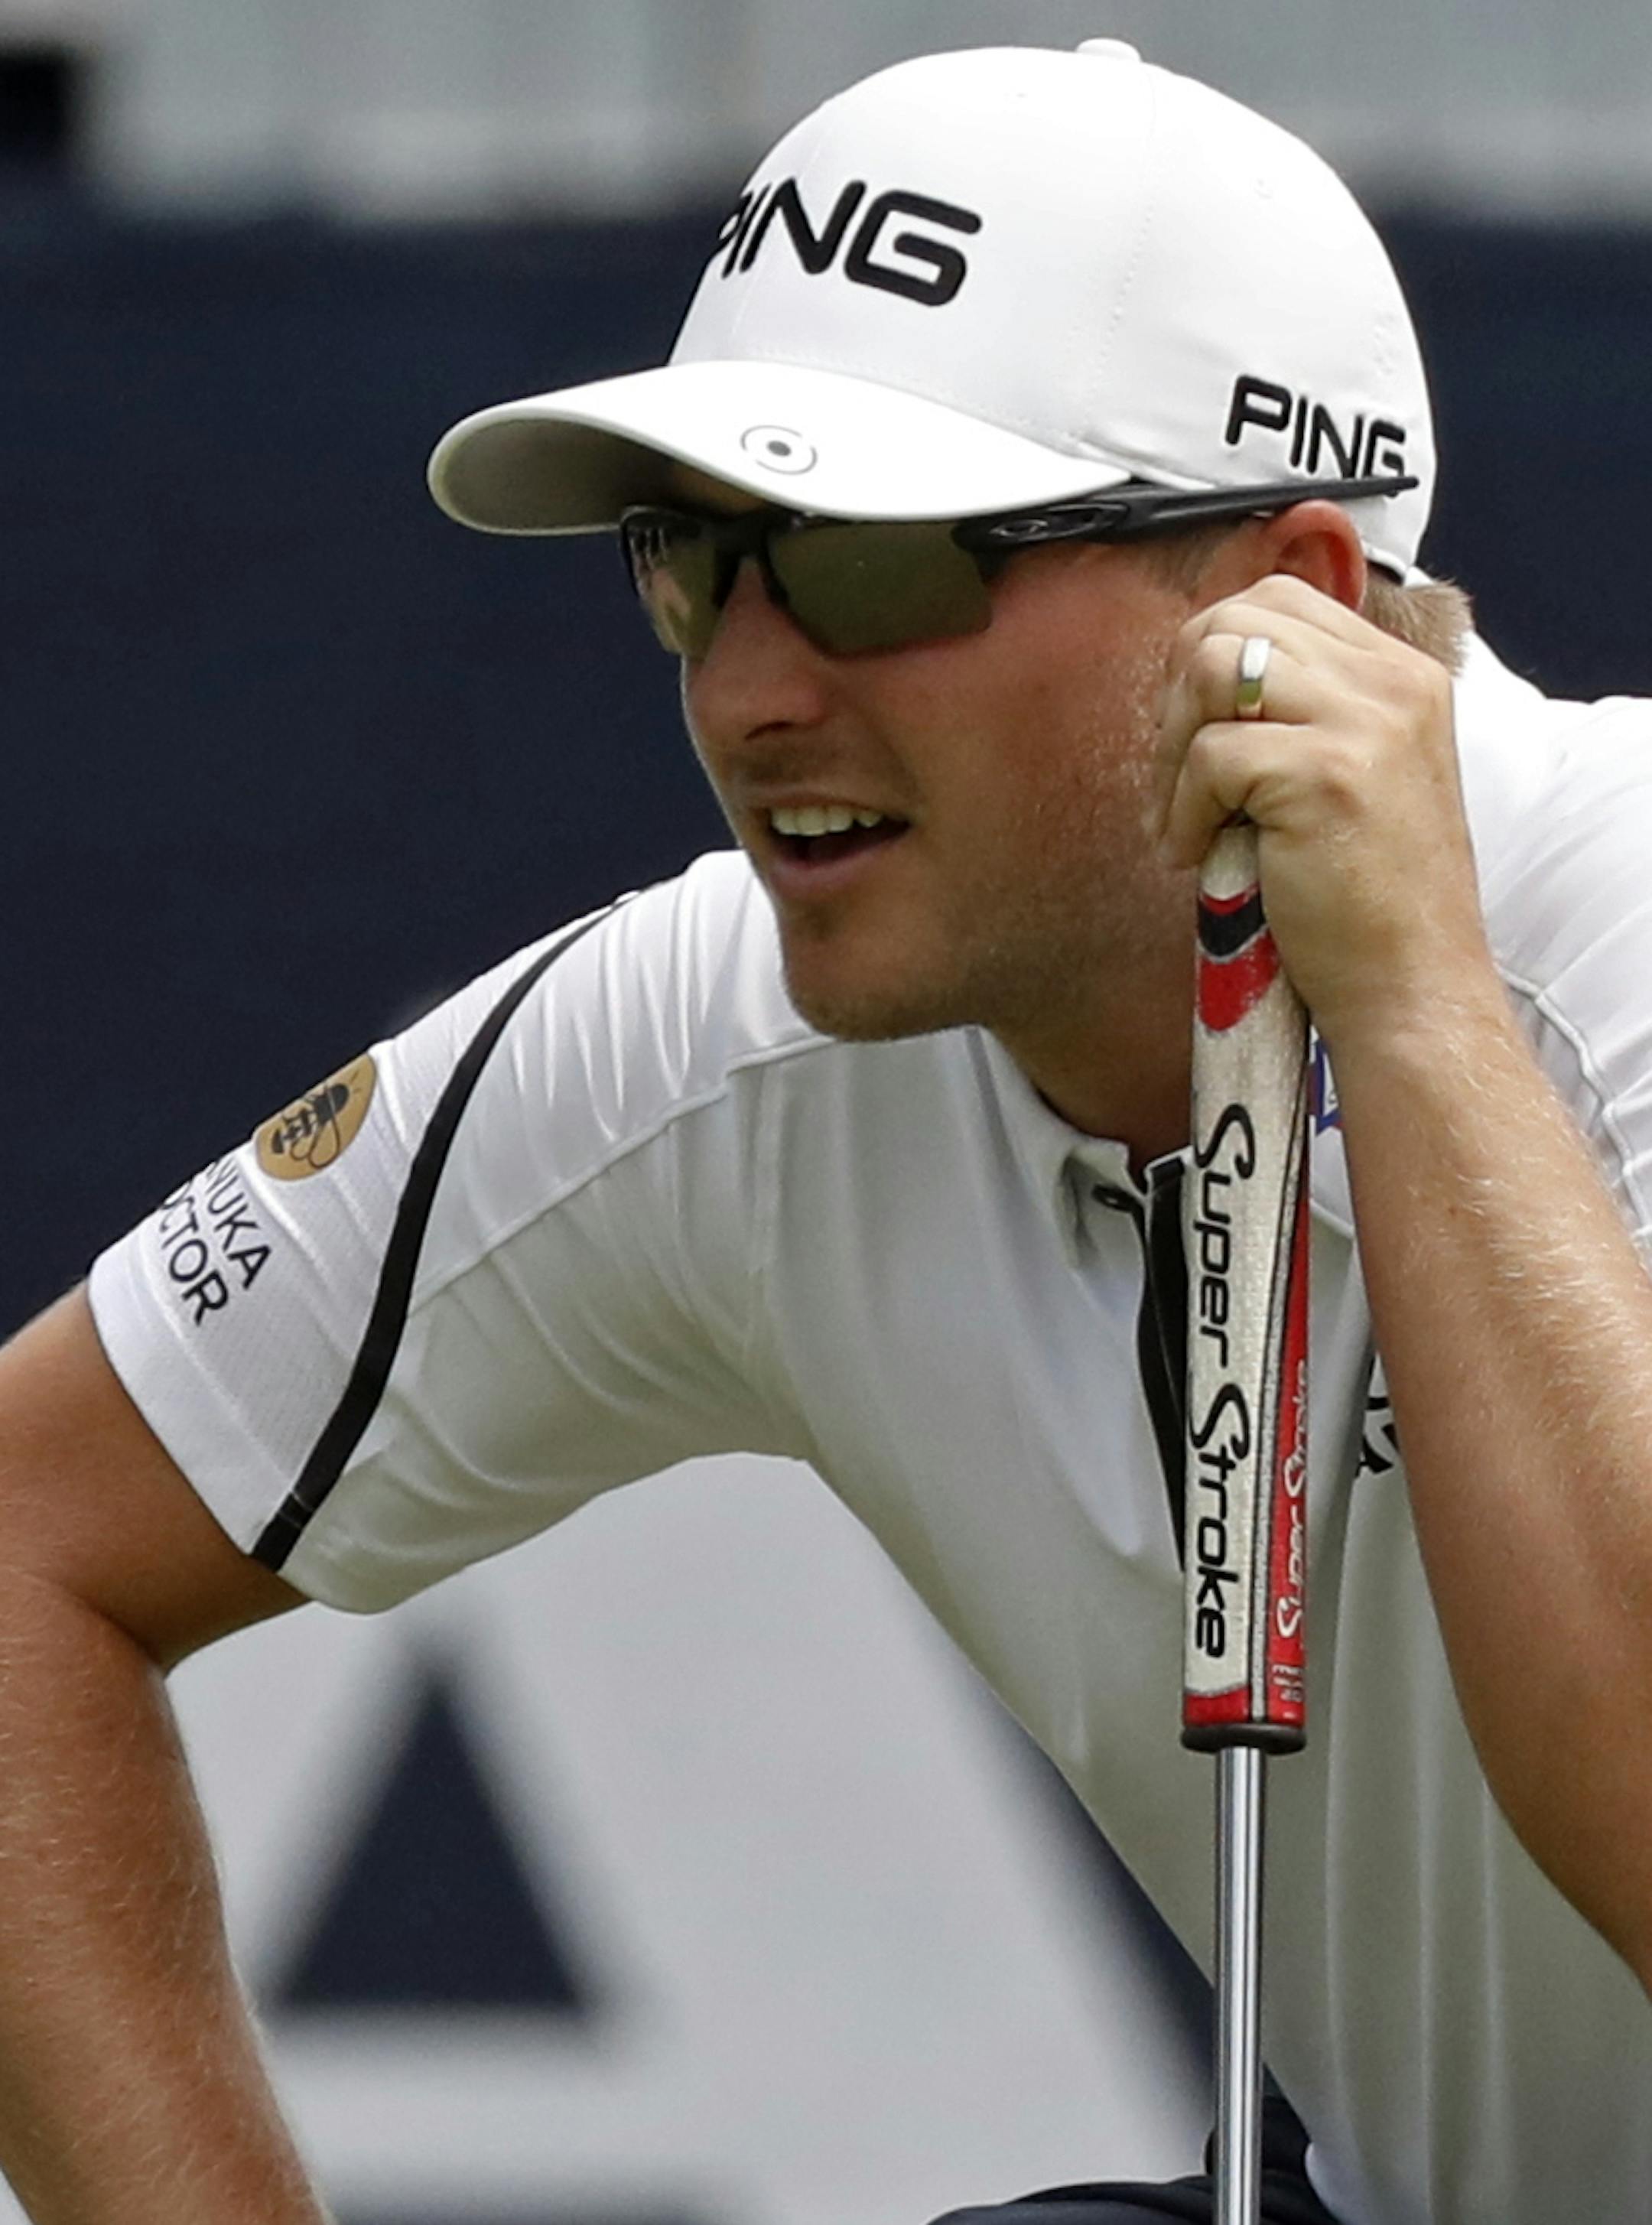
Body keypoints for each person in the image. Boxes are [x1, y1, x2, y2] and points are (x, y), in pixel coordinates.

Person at [0, 34, 1648, 2225]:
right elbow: (29, 1549)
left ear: (1299, 610)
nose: (749, 693)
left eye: (874, 563)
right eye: (702, 560)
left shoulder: (1611, 940)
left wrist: (1421, 1019)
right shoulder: (733, 1027)